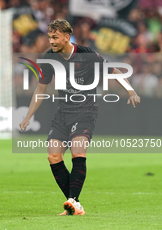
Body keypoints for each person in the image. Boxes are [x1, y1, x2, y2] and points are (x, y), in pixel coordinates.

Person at [19, 19, 140, 215]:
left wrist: (131, 91)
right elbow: (40, 89)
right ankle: (75, 203)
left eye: (55, 37)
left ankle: (73, 201)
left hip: (85, 111)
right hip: (62, 112)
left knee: (77, 153)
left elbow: (114, 71)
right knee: (53, 156)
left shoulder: (87, 55)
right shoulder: (49, 58)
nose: (51, 41)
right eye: (50, 37)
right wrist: (28, 116)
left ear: (67, 37)